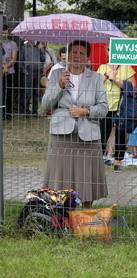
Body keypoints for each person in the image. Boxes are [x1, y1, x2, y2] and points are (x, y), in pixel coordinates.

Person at [42, 40, 108, 209]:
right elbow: (46, 105)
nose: (76, 56)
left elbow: (103, 108)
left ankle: (86, 215)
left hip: (88, 135)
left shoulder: (95, 78)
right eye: (73, 53)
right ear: (67, 56)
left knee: (86, 177)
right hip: (61, 133)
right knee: (60, 177)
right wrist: (59, 85)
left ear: (87, 57)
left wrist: (85, 111)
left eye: (81, 53)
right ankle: (61, 214)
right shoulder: (57, 75)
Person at [97, 49, 136, 172]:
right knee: (102, 133)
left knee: (120, 134)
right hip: (104, 106)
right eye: (108, 49)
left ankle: (118, 161)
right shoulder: (102, 67)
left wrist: (116, 79)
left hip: (121, 107)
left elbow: (132, 87)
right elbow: (94, 85)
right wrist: (104, 77)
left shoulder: (126, 68)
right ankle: (100, 159)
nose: (111, 52)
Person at [18, 40, 44, 116]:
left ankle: (35, 111)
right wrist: (25, 71)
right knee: (27, 92)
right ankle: (26, 111)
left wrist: (42, 50)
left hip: (37, 72)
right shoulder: (23, 48)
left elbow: (43, 60)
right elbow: (20, 61)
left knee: (36, 92)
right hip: (28, 73)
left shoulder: (38, 48)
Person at [2, 25, 18, 120]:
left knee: (8, 93)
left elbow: (14, 58)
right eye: (2, 33)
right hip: (2, 70)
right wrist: (3, 67)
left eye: (5, 32)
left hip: (9, 72)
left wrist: (6, 67)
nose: (4, 35)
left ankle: (8, 113)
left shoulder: (13, 44)